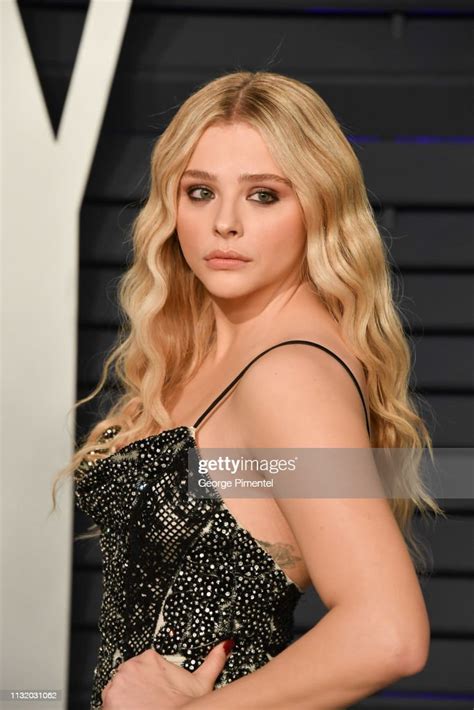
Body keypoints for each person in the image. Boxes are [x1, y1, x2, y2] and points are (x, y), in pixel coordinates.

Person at [52, 70, 444, 710]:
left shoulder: (289, 375)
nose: (224, 224)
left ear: (319, 206)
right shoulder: (218, 347)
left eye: (264, 195)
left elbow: (388, 633)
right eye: (200, 192)